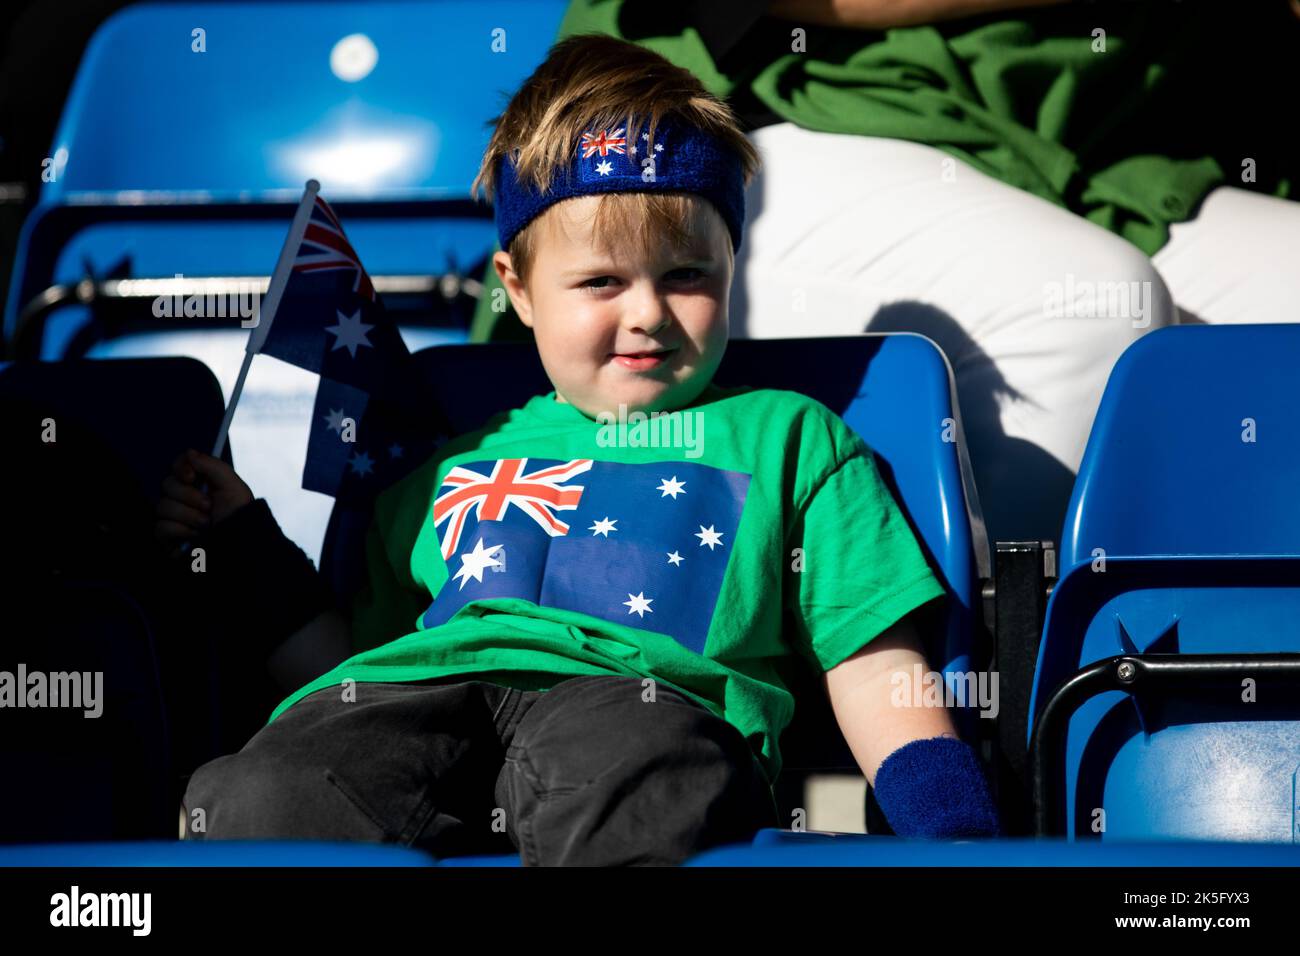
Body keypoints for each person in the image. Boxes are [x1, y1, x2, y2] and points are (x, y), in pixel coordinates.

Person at [159, 33, 999, 865]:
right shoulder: (442, 465)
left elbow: (874, 668)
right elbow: (355, 673)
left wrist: (955, 838)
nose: (647, 314)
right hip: (421, 694)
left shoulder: (793, 437)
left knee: (634, 771)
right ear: (518, 289)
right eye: (601, 281)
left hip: (643, 703)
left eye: (685, 276)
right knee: (260, 792)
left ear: (731, 267)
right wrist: (248, 552)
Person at [471, 0, 1300, 544]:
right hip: (736, 114)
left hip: (1110, 142)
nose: (647, 313)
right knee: (1084, 309)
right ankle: (980, 737)